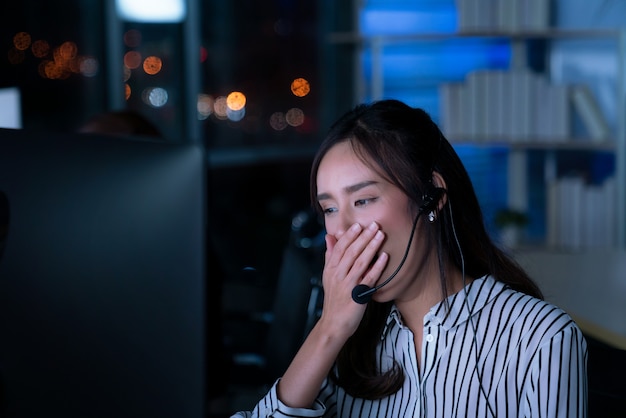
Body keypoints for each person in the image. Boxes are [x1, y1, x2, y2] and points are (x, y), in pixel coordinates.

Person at [232, 99, 588, 417]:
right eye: (328, 208)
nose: (342, 231)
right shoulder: (345, 347)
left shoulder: (541, 339)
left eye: (362, 201)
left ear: (431, 196)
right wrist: (329, 330)